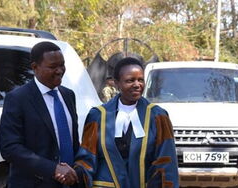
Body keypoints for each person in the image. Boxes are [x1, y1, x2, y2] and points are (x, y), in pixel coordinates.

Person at [73, 57, 179, 188]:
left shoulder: (157, 116)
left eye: (140, 79)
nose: (137, 84)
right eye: (130, 80)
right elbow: (87, 158)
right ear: (116, 83)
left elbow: (166, 162)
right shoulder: (98, 115)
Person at [0, 41, 80, 187]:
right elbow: (10, 147)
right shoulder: (18, 99)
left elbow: (73, 142)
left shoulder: (68, 95)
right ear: (35, 67)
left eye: (62, 65)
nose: (60, 70)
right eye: (53, 67)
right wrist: (53, 169)